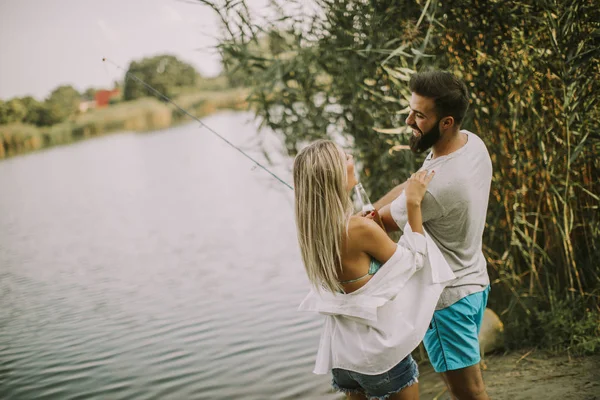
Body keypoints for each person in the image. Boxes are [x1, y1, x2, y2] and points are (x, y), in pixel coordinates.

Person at [293, 139, 455, 400]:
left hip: (344, 358)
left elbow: (357, 263)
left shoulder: (311, 232)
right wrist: (413, 204)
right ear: (333, 175)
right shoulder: (358, 229)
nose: (350, 156)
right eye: (343, 157)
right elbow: (415, 259)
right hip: (380, 357)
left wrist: (370, 228)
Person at [375, 71, 493, 400]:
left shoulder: (439, 187)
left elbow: (380, 223)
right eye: (410, 110)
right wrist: (377, 208)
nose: (409, 120)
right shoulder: (471, 144)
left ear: (446, 122)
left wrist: (364, 216)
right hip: (474, 283)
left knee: (469, 393)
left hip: (447, 302)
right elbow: (416, 184)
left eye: (420, 115)